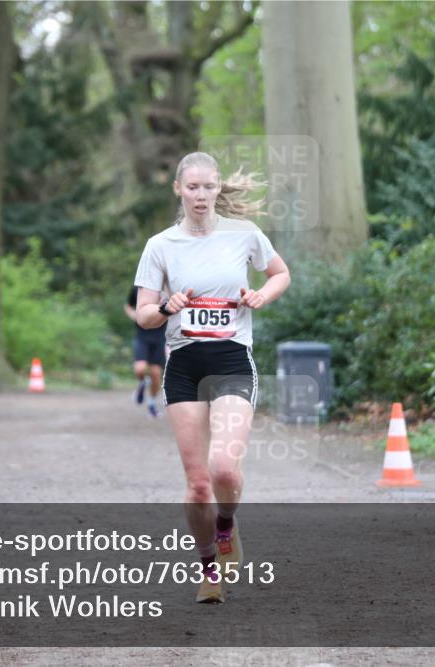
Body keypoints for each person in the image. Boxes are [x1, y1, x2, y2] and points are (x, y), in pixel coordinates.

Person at [132, 152, 291, 603]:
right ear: (178, 190)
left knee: (224, 468)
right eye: (193, 187)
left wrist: (261, 294)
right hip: (184, 364)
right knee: (198, 481)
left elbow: (280, 274)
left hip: (232, 360)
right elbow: (145, 314)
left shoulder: (244, 235)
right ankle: (209, 570)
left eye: (208, 187)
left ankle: (226, 524)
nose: (201, 195)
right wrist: (166, 307)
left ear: (219, 189)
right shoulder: (160, 245)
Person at [125, 285, 167, 418]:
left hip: (160, 338)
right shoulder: (138, 289)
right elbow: (128, 306)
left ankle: (152, 403)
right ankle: (142, 383)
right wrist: (135, 315)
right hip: (142, 337)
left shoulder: (167, 290)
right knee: (140, 369)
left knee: (156, 373)